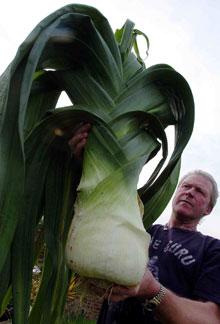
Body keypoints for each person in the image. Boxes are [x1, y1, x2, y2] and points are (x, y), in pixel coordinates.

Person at [69, 124, 220, 324]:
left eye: (199, 191)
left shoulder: (212, 250)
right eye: (185, 186)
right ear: (175, 194)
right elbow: (95, 213)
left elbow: (210, 319)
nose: (190, 192)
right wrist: (88, 162)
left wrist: (152, 290)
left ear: (208, 209)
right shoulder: (143, 227)